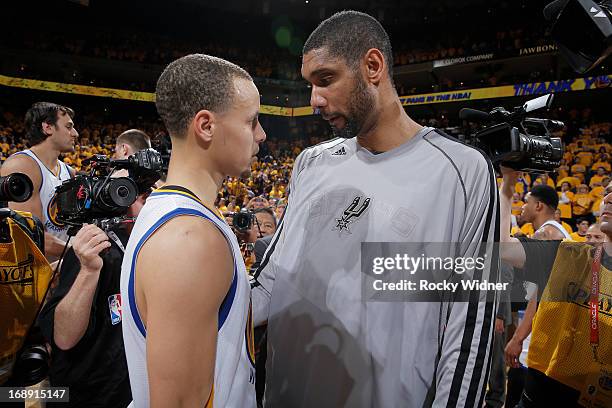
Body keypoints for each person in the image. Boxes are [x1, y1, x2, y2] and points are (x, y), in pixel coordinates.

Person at [252, 11, 498, 407]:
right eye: (310, 85)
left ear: (372, 66)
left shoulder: (461, 171)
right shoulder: (311, 163)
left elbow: (469, 327)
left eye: (326, 79)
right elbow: (270, 281)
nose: (315, 99)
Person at [120, 54, 266, 407]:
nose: (260, 135)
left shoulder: (172, 213)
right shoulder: (190, 239)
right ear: (206, 126)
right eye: (251, 121)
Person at [37, 129, 153, 407]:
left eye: (147, 193)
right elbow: (63, 338)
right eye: (133, 193)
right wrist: (89, 271)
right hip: (84, 394)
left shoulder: (144, 243)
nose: (145, 201)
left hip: (127, 391)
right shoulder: (94, 244)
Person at [500, 172, 612, 407]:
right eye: (606, 193)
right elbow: (503, 248)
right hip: (544, 382)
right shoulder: (569, 253)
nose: (608, 198)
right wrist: (508, 184)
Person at [1, 102, 77, 260]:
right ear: (47, 128)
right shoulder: (22, 166)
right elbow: (31, 239)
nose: (75, 133)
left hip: (62, 267)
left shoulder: (69, 172)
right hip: (31, 274)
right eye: (68, 127)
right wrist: (80, 254)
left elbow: (72, 228)